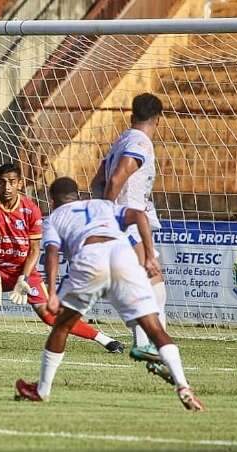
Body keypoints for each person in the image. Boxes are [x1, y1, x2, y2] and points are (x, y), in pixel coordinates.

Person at [15, 177, 203, 411]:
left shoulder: (54, 218)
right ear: (78, 195)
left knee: (62, 326)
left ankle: (41, 390)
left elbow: (52, 254)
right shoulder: (102, 205)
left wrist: (52, 292)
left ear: (51, 200)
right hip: (123, 256)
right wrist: (149, 256)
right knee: (154, 328)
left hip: (90, 258)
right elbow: (139, 216)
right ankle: (183, 386)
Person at [0, 163, 123, 353]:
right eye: (3, 182)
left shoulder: (31, 209)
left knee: (49, 317)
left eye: (12, 182)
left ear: (20, 184)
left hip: (24, 273)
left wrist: (24, 277)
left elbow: (34, 250)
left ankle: (105, 340)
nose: (7, 187)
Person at [91, 93, 168, 363]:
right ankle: (153, 344)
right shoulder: (139, 142)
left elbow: (98, 180)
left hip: (125, 219)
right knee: (154, 282)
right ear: (158, 119)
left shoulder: (122, 139)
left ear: (132, 116)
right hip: (130, 220)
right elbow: (115, 178)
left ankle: (146, 342)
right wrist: (109, 213)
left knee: (139, 285)